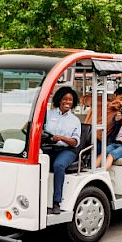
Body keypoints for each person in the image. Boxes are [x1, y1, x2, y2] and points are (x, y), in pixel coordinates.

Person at [43, 86, 81, 214]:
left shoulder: (75, 120)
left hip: (68, 150)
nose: (67, 102)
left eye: (70, 100)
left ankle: (56, 202)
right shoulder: (49, 114)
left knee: (59, 165)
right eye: (65, 99)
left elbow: (75, 142)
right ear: (59, 100)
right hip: (50, 147)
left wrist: (62, 138)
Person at [83, 86, 122, 151]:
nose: (121, 103)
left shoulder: (119, 114)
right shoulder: (100, 100)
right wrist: (107, 104)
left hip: (99, 142)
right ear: (115, 95)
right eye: (120, 99)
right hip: (85, 135)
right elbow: (83, 99)